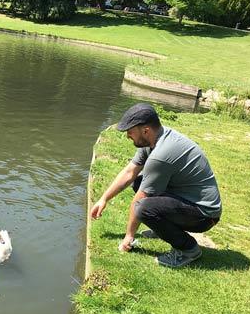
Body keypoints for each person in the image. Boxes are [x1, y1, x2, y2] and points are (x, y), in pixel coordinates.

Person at [90, 103, 221, 268]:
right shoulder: (154, 139)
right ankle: (163, 228)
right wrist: (104, 199)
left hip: (205, 215)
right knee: (139, 182)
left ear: (145, 130)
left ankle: (189, 250)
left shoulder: (161, 155)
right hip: (188, 200)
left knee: (144, 208)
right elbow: (130, 172)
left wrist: (129, 236)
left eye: (130, 131)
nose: (128, 135)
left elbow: (141, 199)